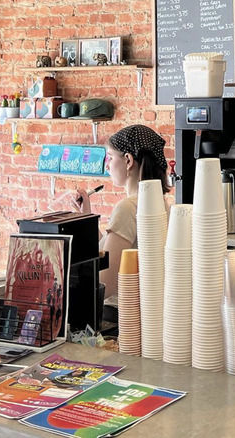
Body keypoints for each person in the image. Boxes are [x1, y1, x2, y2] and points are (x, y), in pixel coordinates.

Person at [76, 124, 170, 322]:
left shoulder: (127, 208)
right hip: (147, 317)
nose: (107, 166)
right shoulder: (161, 203)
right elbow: (117, 251)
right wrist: (87, 218)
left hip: (118, 319)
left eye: (110, 157)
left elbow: (106, 284)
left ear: (128, 160)